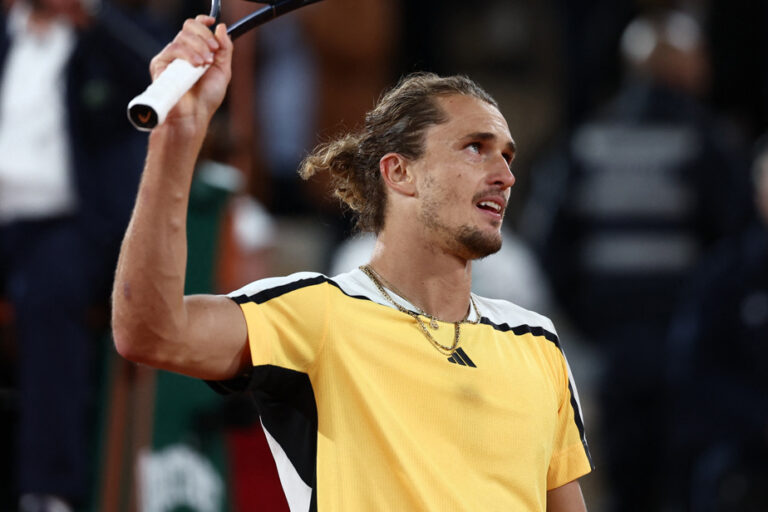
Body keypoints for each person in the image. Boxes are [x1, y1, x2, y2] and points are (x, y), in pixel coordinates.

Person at [112, 15, 594, 511]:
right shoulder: (317, 316)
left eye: (508, 157)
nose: (505, 175)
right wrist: (176, 139)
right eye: (476, 148)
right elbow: (149, 331)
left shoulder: (538, 344)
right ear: (400, 172)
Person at [519, 9, 754, 511]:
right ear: (691, 68)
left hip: (615, 359)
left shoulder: (586, 143)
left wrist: (594, 328)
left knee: (624, 490)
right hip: (688, 363)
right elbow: (738, 255)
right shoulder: (710, 143)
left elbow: (547, 247)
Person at [0, 0, 163, 510]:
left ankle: (48, 491)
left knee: (52, 293)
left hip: (69, 224)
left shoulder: (107, 35)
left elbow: (161, 75)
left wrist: (93, 15)